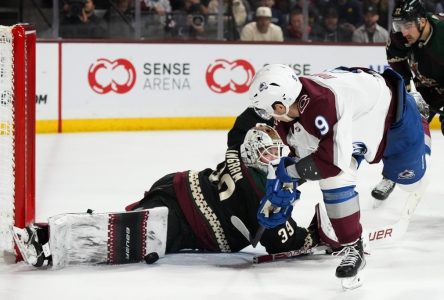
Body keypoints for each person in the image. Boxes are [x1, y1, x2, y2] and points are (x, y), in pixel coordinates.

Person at [13, 122, 320, 268]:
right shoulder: (259, 191)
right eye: (267, 152)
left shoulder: (241, 162)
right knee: (124, 237)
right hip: (188, 222)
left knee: (123, 226)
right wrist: (313, 238)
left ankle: (43, 234)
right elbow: (280, 237)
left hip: (177, 189)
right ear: (254, 153)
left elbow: (281, 184)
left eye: (274, 152)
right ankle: (46, 242)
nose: (273, 158)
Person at [248, 64, 430, 287]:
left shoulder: (322, 104)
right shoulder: (293, 109)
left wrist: (289, 174)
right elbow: (306, 161)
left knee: (412, 181)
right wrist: (283, 189)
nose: (265, 116)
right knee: (331, 177)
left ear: (279, 105)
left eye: (265, 110)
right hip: (351, 122)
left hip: (391, 116)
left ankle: (418, 111)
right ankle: (354, 246)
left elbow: (329, 163)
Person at [372, 0, 444, 201]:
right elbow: (399, 74)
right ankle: (391, 176)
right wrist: (410, 93)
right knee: (402, 127)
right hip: (424, 88)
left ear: (422, 21)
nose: (402, 32)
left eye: (407, 25)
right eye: (398, 26)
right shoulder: (399, 39)